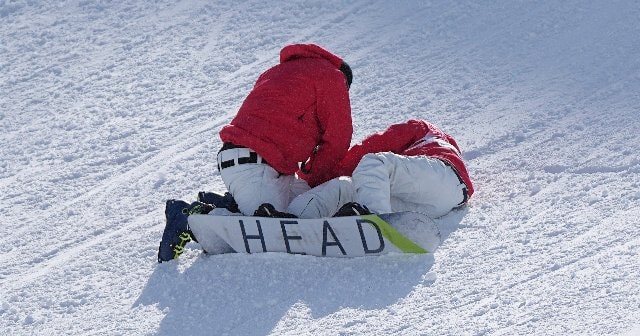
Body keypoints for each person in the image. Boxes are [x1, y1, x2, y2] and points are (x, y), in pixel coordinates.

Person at [217, 43, 354, 217]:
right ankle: (193, 218)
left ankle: (225, 207)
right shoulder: (333, 77)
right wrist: (315, 177)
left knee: (309, 213)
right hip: (256, 165)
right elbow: (338, 139)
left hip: (256, 163)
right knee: (274, 232)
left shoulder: (274, 72)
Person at [287, 119, 474, 219]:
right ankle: (293, 219)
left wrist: (318, 175)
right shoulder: (409, 170)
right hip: (431, 205)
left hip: (445, 178)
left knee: (373, 163)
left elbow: (368, 149)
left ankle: (375, 223)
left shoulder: (423, 130)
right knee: (344, 187)